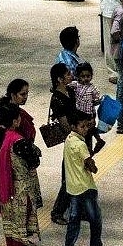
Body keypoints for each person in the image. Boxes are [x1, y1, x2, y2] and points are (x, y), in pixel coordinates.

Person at [0, 102, 43, 246]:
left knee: (10, 228)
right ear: (15, 121)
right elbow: (34, 160)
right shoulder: (18, 141)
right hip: (21, 189)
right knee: (20, 229)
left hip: (5, 189)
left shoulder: (1, 138)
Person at [61, 110, 113, 246]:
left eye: (87, 126)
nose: (85, 129)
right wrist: (94, 160)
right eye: (82, 126)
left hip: (72, 188)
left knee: (74, 221)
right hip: (85, 187)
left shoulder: (69, 140)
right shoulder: (80, 144)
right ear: (73, 126)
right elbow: (91, 166)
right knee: (95, 219)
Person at [47, 63, 76, 225]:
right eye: (67, 74)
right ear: (59, 79)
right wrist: (77, 132)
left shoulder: (71, 90)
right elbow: (64, 123)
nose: (70, 75)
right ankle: (57, 211)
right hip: (71, 139)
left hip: (77, 135)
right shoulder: (57, 99)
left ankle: (78, 209)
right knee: (69, 178)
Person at [68, 62, 108, 155]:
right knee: (88, 130)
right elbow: (65, 86)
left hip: (89, 113)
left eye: (88, 76)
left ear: (91, 76)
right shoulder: (75, 85)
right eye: (82, 76)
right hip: (80, 113)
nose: (85, 78)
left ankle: (89, 150)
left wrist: (97, 102)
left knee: (89, 131)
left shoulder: (93, 88)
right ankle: (97, 142)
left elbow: (97, 100)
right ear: (78, 76)